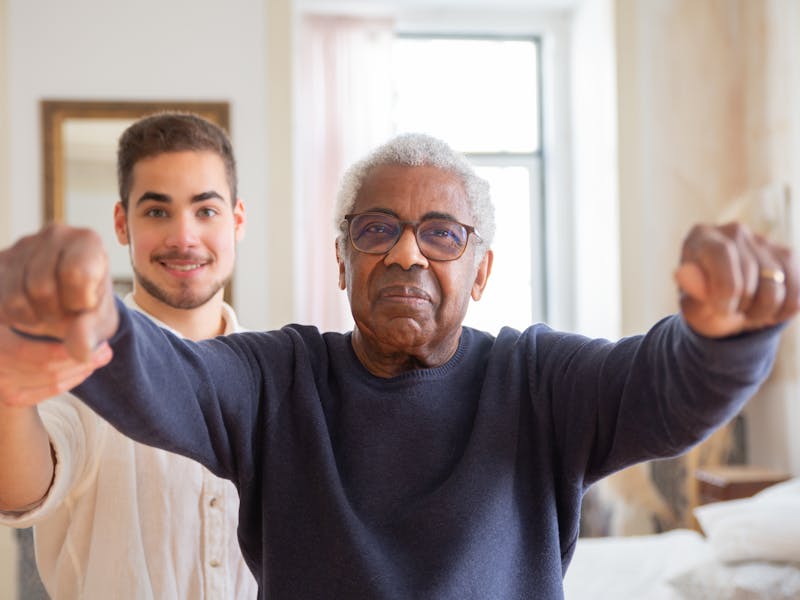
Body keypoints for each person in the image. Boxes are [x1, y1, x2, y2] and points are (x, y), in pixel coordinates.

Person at [0, 133, 798, 599]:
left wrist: (726, 336)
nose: (407, 253)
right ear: (342, 260)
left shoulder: (536, 380)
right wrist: (89, 313)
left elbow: (664, 388)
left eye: (442, 234)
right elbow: (173, 379)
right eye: (377, 230)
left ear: (480, 271)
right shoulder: (279, 378)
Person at [0, 113, 257, 599]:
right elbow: (18, 493)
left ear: (237, 220)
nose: (184, 237)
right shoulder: (77, 365)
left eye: (205, 210)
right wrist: (10, 390)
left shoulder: (275, 377)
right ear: (122, 224)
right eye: (157, 212)